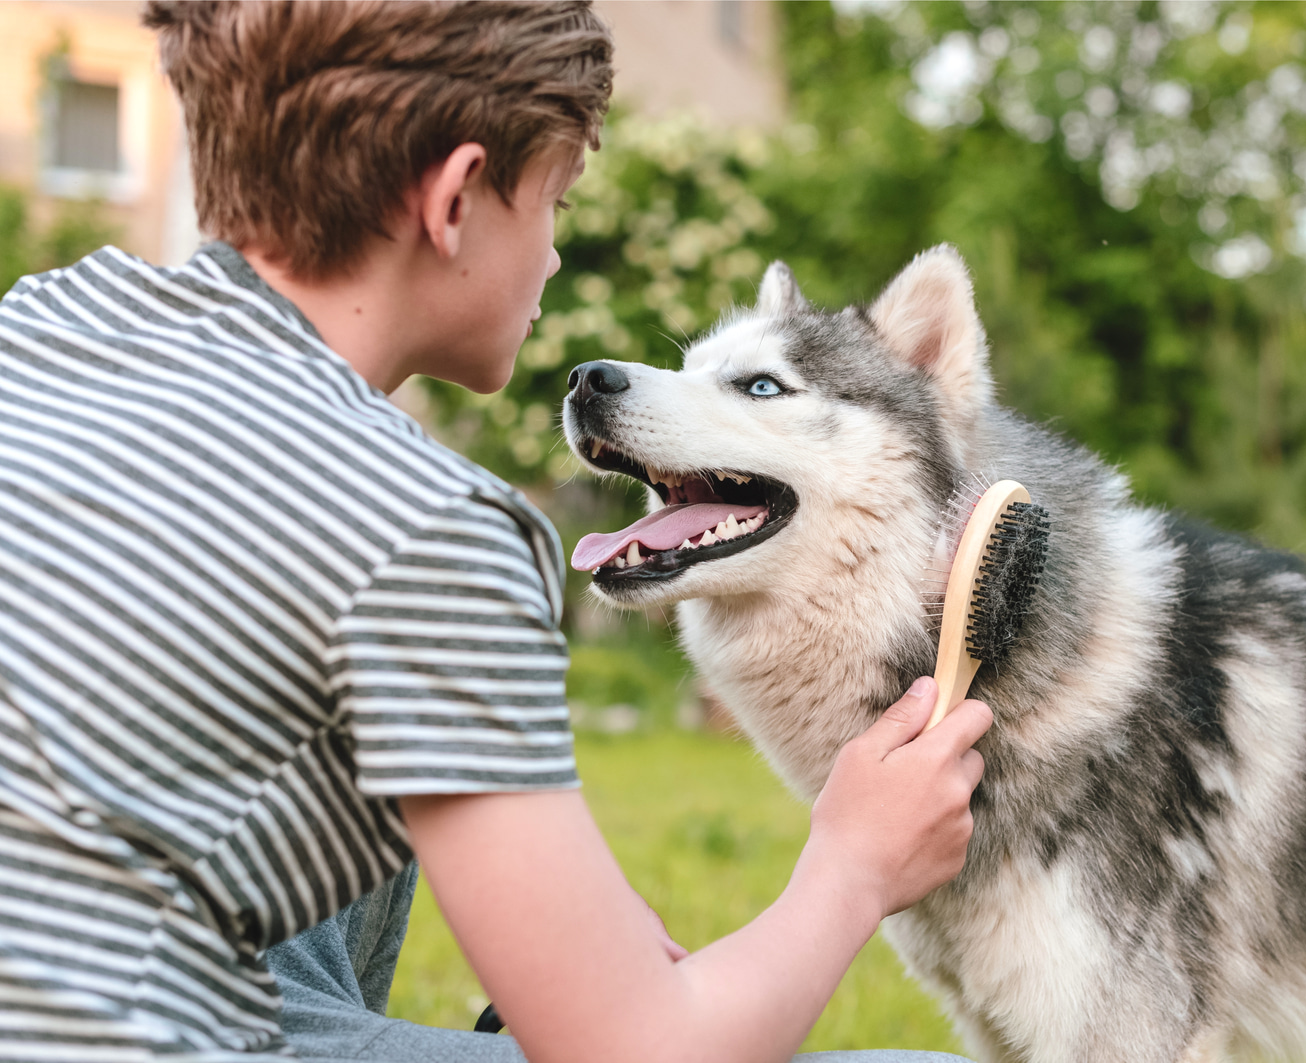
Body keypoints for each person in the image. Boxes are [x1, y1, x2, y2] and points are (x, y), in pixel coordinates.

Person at [0, 3, 994, 1061]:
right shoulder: (425, 529)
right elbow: (641, 1055)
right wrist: (851, 862)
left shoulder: (49, 316)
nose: (557, 256)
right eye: (555, 204)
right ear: (455, 197)